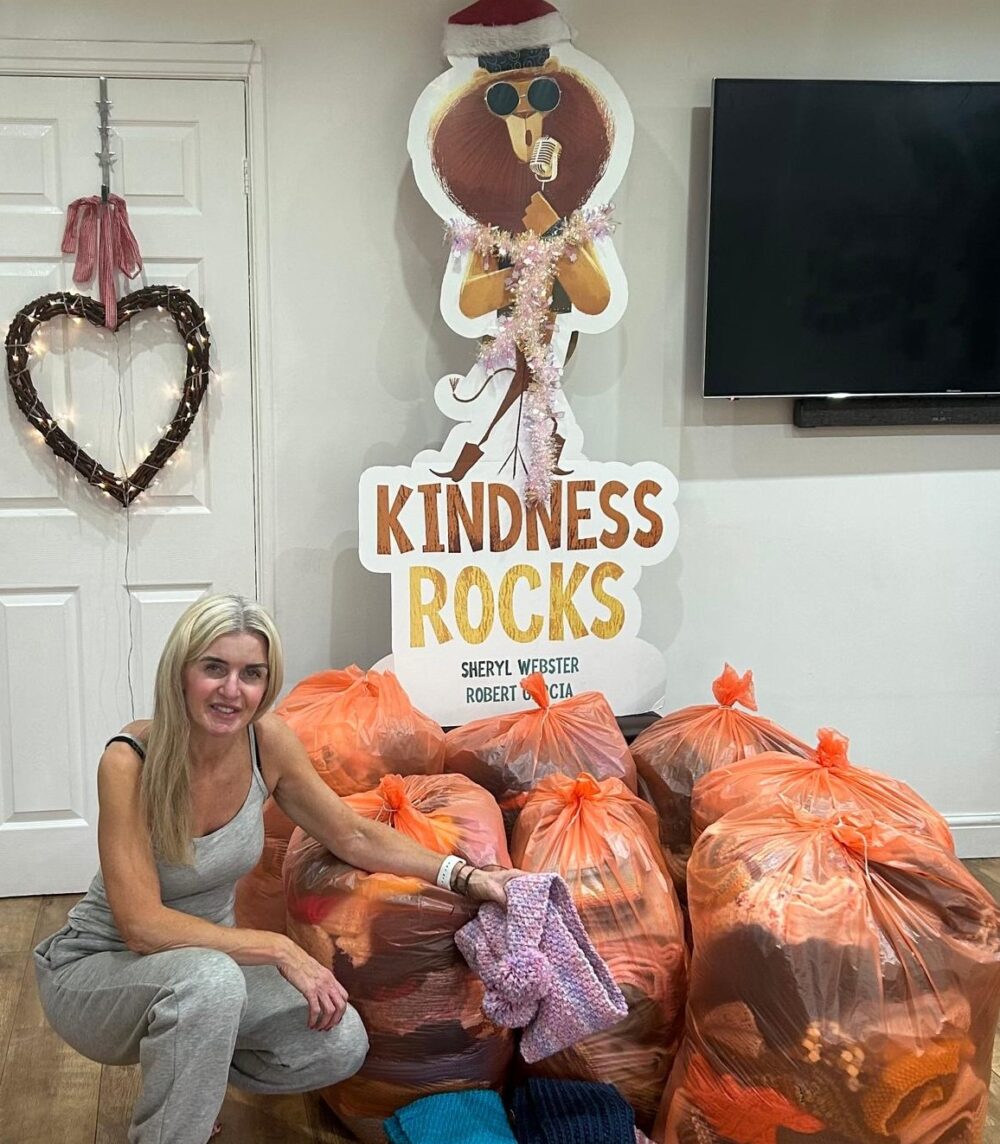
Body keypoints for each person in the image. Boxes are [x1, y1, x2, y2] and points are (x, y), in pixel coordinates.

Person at [33, 594, 516, 1144]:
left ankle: (186, 1072)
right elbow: (142, 926)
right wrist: (282, 948)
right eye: (214, 668)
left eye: (251, 673)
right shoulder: (129, 761)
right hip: (102, 967)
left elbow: (351, 833)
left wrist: (465, 875)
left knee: (338, 1043)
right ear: (180, 672)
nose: (231, 690)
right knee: (208, 983)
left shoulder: (267, 744)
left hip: (208, 970)